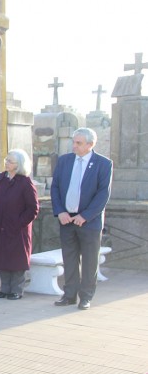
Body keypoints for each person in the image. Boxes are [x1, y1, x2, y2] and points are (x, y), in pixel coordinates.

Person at [51, 127, 112, 310]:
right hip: (66, 219)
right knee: (69, 258)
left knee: (89, 260)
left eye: (78, 143)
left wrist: (85, 216)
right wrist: (60, 211)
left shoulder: (103, 163)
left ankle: (85, 296)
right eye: (74, 142)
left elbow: (103, 194)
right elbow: (55, 188)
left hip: (89, 221)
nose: (74, 146)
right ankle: (69, 294)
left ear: (90, 144)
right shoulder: (64, 161)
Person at [0, 149, 39, 300]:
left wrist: (18, 223)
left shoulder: (25, 182)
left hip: (17, 229)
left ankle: (16, 289)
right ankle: (4, 288)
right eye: (6, 160)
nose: (6, 163)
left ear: (19, 164)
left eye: (10, 161)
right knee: (3, 258)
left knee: (17, 259)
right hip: (0, 227)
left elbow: (33, 208)